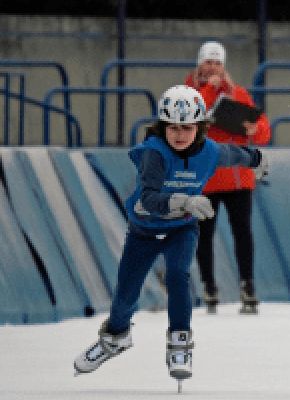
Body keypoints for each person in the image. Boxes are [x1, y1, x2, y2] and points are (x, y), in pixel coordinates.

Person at [73, 85, 269, 381]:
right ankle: (115, 337)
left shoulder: (209, 151)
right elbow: (149, 199)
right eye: (173, 127)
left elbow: (233, 154)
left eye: (187, 128)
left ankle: (180, 341)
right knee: (126, 294)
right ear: (164, 127)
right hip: (144, 231)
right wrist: (184, 201)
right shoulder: (155, 153)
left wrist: (256, 160)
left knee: (179, 275)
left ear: (200, 127)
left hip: (181, 229)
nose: (179, 134)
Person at [185, 41, 272, 314]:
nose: (213, 68)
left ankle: (248, 284)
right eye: (208, 62)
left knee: (242, 232)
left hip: (237, 177)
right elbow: (195, 113)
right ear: (199, 64)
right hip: (207, 176)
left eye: (217, 63)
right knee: (204, 234)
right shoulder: (188, 92)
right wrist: (211, 88)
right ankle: (209, 285)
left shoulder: (239, 94)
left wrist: (253, 129)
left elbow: (263, 130)